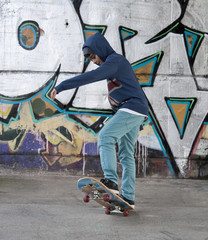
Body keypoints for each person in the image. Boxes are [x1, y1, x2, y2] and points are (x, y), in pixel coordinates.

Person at [50, 33, 148, 208]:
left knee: (105, 137)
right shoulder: (114, 63)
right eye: (90, 59)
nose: (94, 61)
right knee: (126, 155)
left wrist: (62, 86)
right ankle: (128, 197)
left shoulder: (114, 61)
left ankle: (110, 180)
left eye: (94, 56)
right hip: (136, 110)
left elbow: (90, 77)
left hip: (132, 108)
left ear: (101, 50)